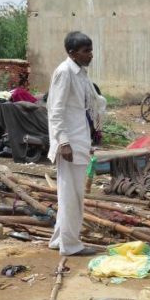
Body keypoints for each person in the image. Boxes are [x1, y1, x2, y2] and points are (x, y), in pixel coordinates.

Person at [46, 31, 105, 256]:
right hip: (69, 144)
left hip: (79, 140)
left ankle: (59, 240)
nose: (91, 55)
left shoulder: (80, 73)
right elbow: (56, 110)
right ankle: (70, 246)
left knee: (70, 194)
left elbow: (86, 106)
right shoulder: (65, 72)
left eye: (91, 50)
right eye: (86, 51)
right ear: (72, 53)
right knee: (72, 197)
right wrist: (63, 142)